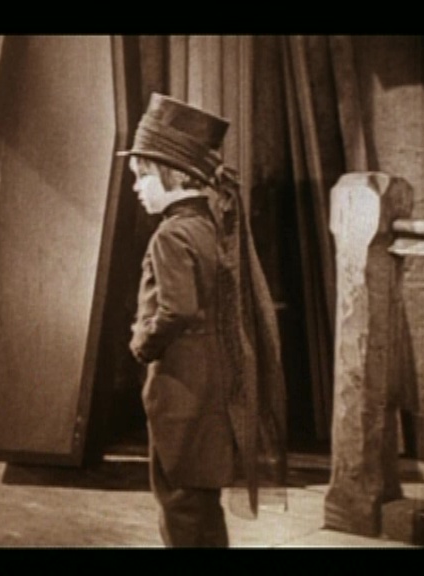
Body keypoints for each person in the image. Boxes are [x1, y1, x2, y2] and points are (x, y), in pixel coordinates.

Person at [117, 93, 287, 548]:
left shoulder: (171, 235)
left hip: (182, 384)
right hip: (214, 378)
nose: (137, 188)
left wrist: (143, 344)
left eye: (142, 176)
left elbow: (176, 310)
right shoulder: (208, 225)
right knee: (202, 498)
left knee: (179, 499)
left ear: (171, 174)